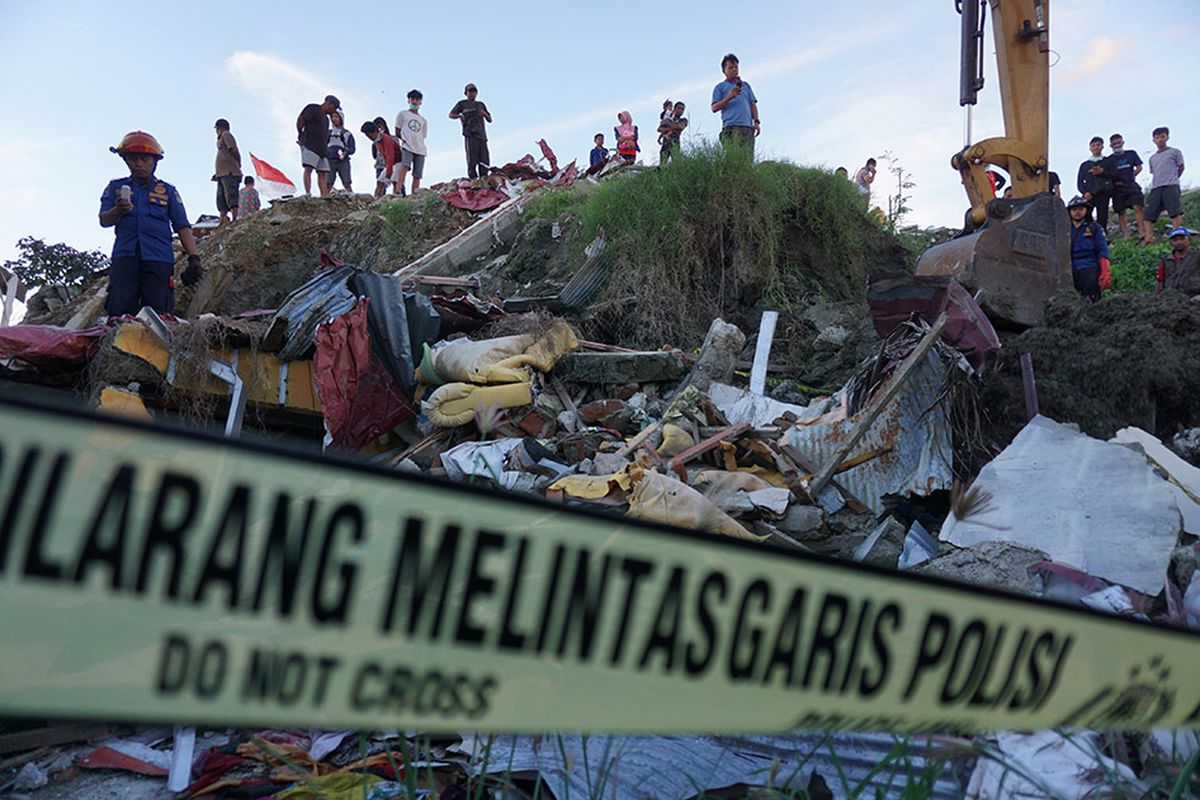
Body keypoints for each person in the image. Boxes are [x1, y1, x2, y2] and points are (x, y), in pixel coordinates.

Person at [98, 131, 201, 320]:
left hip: (158, 260)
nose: (138, 164)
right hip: (125, 258)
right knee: (119, 313)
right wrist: (118, 209)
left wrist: (194, 258)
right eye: (133, 159)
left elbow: (182, 226)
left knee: (157, 315)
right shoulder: (115, 188)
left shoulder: (168, 191)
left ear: (154, 162)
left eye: (144, 159)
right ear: (126, 161)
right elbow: (104, 220)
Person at [711, 53, 759, 157]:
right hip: (731, 127)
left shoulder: (746, 86)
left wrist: (756, 122)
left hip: (747, 127)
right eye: (730, 67)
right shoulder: (720, 87)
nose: (734, 69)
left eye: (736, 67)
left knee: (747, 158)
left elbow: (752, 104)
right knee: (733, 158)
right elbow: (714, 108)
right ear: (724, 71)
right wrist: (729, 97)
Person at [1143, 126, 1186, 243]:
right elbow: (1154, 172)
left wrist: (1174, 179)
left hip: (1171, 185)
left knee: (1174, 211)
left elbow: (1181, 167)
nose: (1160, 139)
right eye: (1157, 137)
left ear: (1167, 137)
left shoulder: (1175, 152)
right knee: (1149, 213)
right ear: (1154, 140)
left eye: (1162, 136)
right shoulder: (1152, 158)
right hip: (1156, 187)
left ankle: (1177, 236)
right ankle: (1149, 237)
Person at [1066, 195, 1111, 302]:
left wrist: (1105, 270)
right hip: (1068, 269)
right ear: (1069, 212)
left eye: (1081, 209)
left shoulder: (1095, 228)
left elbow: (1102, 249)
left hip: (1089, 266)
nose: (1077, 212)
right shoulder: (1063, 228)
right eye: (1074, 209)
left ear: (1086, 210)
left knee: (1091, 295)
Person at [297, 95, 339, 196]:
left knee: (323, 172)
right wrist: (300, 133)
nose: (333, 111)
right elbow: (300, 120)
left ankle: (324, 195)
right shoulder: (313, 108)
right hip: (310, 143)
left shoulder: (326, 119)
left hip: (322, 148)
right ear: (329, 104)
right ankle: (308, 192)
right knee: (308, 168)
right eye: (334, 108)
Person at [449, 83, 492, 180]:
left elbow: (490, 119)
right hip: (470, 134)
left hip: (481, 135)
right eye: (470, 91)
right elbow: (451, 114)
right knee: (472, 158)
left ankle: (484, 178)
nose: (472, 93)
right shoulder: (462, 104)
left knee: (484, 158)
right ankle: (473, 179)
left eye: (474, 91)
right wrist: (460, 116)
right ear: (466, 93)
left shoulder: (480, 105)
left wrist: (484, 114)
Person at [1107, 133, 1145, 240]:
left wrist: (1132, 175)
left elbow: (1139, 167)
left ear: (1123, 142)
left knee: (1138, 206)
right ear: (1111, 145)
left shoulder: (1131, 154)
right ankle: (1125, 235)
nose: (1117, 145)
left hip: (1131, 184)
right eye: (1114, 144)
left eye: (1119, 143)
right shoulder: (1109, 159)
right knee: (1120, 211)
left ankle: (1142, 232)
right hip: (1117, 187)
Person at [395, 89, 428, 196]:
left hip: (420, 149)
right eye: (412, 99)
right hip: (407, 146)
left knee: (417, 174)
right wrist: (404, 140)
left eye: (417, 99)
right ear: (408, 101)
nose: (414, 101)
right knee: (404, 167)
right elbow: (397, 131)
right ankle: (398, 190)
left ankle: (414, 194)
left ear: (420, 102)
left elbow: (423, 136)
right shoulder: (403, 114)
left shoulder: (423, 120)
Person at [1076, 137, 1112, 231]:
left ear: (1102, 147)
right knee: (1085, 214)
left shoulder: (1108, 161)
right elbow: (1079, 182)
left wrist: (1102, 172)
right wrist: (1085, 193)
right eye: (1093, 145)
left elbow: (1114, 175)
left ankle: (1102, 236)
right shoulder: (1085, 165)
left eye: (1098, 145)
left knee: (1102, 216)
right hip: (1089, 194)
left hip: (1103, 193)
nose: (1096, 147)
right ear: (1090, 148)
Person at [361, 121, 402, 199]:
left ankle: (397, 199)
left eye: (368, 135)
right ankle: (376, 200)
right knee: (380, 182)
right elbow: (386, 157)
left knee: (395, 181)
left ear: (373, 132)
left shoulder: (386, 139)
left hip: (398, 161)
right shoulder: (377, 142)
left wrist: (388, 174)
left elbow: (390, 156)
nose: (368, 137)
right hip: (390, 163)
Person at [212, 118, 242, 224]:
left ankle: (234, 219)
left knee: (231, 195)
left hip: (230, 172)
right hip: (222, 174)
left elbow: (233, 149)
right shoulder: (220, 139)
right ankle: (223, 219)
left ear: (220, 128)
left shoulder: (226, 135)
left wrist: (238, 162)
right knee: (221, 198)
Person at [1157, 228, 1200, 296]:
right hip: (1170, 297)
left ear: (1189, 240)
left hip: (1194, 296)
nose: (1179, 242)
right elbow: (1160, 280)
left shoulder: (1197, 256)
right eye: (1175, 240)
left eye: (1182, 239)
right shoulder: (1165, 260)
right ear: (1171, 243)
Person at [325, 109, 356, 193]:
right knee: (328, 184)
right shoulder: (328, 133)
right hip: (330, 160)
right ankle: (324, 200)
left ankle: (352, 199)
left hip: (343, 161)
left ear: (341, 119)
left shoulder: (347, 133)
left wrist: (345, 152)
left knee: (347, 183)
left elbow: (352, 148)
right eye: (332, 117)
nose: (334, 119)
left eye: (336, 117)